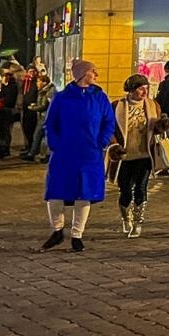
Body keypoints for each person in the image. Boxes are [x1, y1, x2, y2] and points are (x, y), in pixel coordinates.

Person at [41, 59, 114, 252]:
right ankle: (57, 230)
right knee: (56, 191)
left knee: (85, 192)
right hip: (64, 153)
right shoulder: (62, 98)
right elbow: (50, 123)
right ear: (82, 74)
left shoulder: (100, 97)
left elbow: (109, 121)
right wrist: (54, 143)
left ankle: (77, 234)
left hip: (90, 153)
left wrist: (102, 141)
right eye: (93, 71)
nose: (96, 75)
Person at [112, 73, 167, 237]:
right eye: (140, 89)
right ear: (131, 90)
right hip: (124, 156)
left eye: (146, 88)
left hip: (145, 154)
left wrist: (162, 126)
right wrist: (114, 145)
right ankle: (125, 217)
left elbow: (155, 130)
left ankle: (137, 222)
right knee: (125, 190)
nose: (144, 92)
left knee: (141, 188)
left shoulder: (153, 105)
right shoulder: (117, 106)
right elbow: (109, 129)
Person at [21, 67, 56, 162]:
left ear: (44, 83)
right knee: (40, 136)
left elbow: (44, 106)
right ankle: (35, 153)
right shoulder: (44, 91)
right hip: (44, 116)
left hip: (46, 117)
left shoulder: (48, 92)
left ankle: (36, 154)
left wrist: (32, 108)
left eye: (38, 82)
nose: (37, 83)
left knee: (40, 135)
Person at [0, 65, 21, 159]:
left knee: (6, 131)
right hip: (0, 111)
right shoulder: (3, 86)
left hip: (7, 110)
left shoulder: (12, 86)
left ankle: (5, 149)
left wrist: (2, 99)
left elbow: (10, 99)